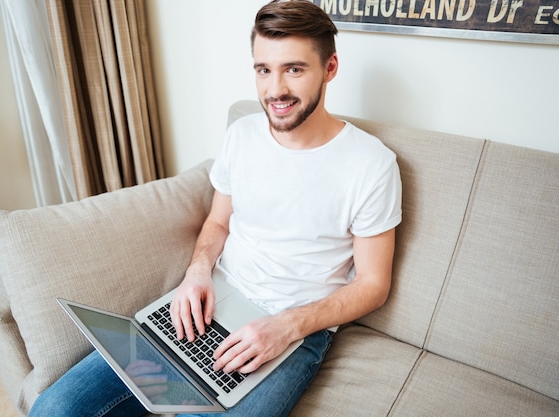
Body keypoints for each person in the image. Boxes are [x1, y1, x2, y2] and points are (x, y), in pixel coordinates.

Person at [28, 0, 402, 416]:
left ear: (330, 68)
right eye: (264, 69)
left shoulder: (372, 164)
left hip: (296, 330)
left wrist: (286, 327)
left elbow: (373, 285)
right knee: (56, 407)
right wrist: (197, 272)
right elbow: (218, 221)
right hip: (216, 299)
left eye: (294, 69)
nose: (275, 89)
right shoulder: (241, 135)